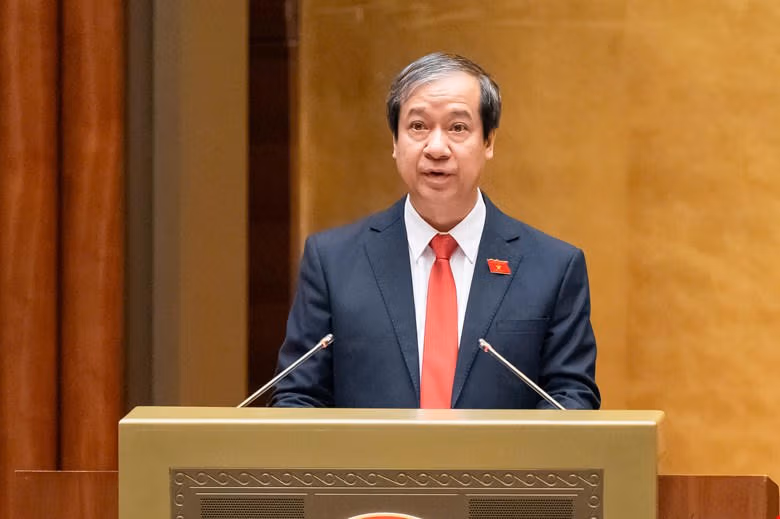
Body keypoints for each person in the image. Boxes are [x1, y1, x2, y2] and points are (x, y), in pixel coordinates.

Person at [270, 52, 600, 409]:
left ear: (489, 141)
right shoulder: (333, 263)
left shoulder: (553, 268)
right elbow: (297, 397)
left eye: (458, 128)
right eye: (418, 127)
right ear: (395, 141)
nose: (437, 148)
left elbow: (571, 399)